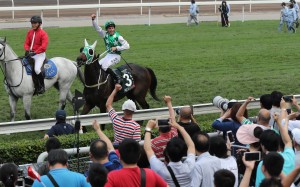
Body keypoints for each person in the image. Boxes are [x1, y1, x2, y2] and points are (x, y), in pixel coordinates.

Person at [144, 95, 195, 186]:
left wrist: (148, 128)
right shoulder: (189, 167)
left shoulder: (160, 169)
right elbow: (191, 145)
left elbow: (148, 149)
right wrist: (179, 126)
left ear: (166, 153)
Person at [91, 14, 130, 84]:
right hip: (108, 55)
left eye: (112, 28)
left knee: (104, 66)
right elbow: (97, 28)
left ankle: (117, 78)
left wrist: (117, 48)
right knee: (98, 65)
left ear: (114, 28)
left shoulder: (118, 37)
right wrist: (93, 20)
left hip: (116, 56)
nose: (111, 29)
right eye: (109, 28)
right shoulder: (105, 34)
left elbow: (127, 46)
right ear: (107, 29)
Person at [24, 15, 48, 94]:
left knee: (37, 69)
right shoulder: (29, 32)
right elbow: (26, 44)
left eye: (35, 23)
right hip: (30, 54)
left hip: (39, 55)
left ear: (39, 24)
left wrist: (35, 52)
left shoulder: (43, 34)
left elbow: (43, 47)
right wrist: (28, 50)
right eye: (32, 23)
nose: (33, 24)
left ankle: (42, 86)